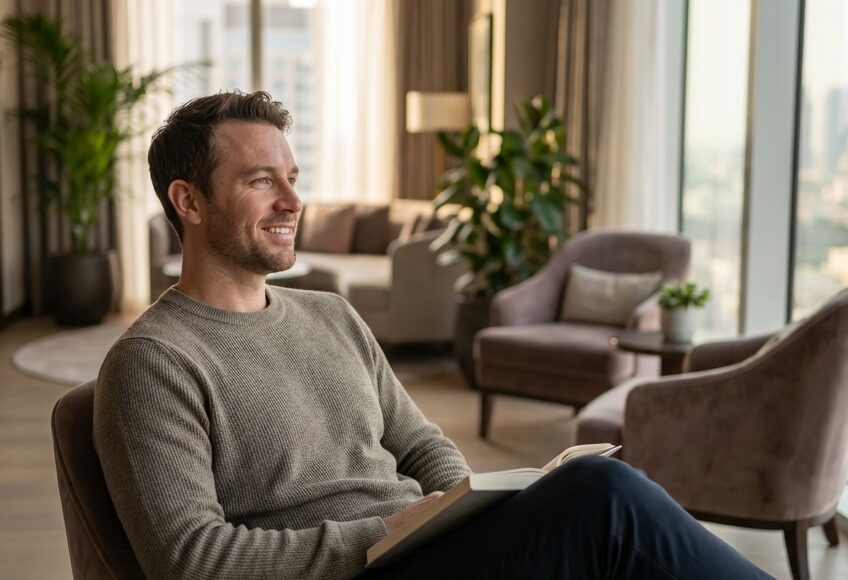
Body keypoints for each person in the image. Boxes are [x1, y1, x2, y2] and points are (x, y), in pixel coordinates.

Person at [94, 91, 771, 580]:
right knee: (603, 498)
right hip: (360, 570)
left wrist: (460, 508)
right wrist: (385, 531)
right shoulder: (154, 363)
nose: (293, 203)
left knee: (600, 510)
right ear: (189, 202)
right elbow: (190, 561)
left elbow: (420, 443)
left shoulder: (331, 315)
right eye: (261, 181)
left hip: (429, 550)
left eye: (293, 180)